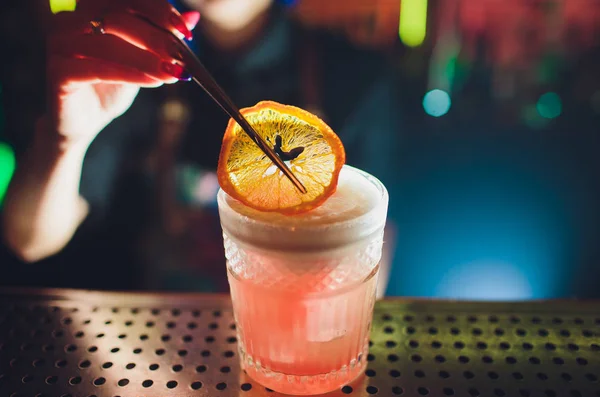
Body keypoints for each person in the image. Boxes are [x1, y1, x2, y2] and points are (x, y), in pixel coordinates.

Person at [1, 0, 401, 292]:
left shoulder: (356, 75)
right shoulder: (135, 67)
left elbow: (374, 241)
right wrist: (64, 138)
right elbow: (29, 240)